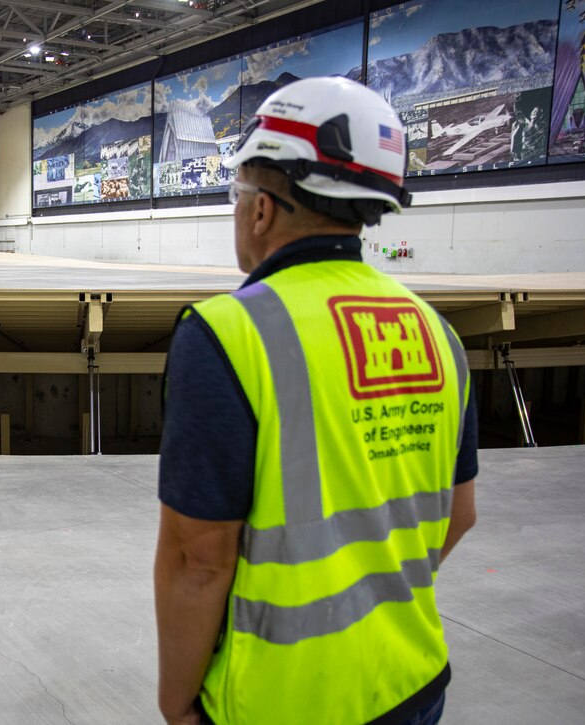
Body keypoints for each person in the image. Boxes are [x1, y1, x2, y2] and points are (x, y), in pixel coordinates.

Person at [153, 76, 479, 725]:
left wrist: (176, 700)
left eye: (237, 193)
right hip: (413, 681)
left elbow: (197, 556)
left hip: (281, 702)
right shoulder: (438, 333)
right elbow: (460, 513)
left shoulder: (226, 334)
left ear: (262, 209)